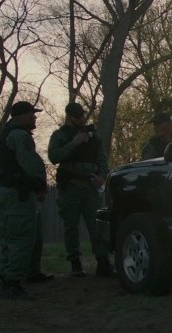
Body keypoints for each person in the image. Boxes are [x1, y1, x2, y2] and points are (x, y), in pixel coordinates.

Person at [0, 101, 50, 299]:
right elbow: (30, 164)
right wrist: (39, 185)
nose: (34, 118)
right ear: (23, 116)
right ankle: (12, 284)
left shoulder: (6, 134)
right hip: (18, 193)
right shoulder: (19, 136)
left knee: (9, 237)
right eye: (32, 114)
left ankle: (6, 277)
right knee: (22, 238)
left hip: (5, 191)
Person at [47, 102, 112, 277]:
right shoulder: (60, 136)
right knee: (71, 226)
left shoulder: (93, 135)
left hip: (90, 185)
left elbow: (102, 158)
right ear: (70, 117)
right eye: (78, 117)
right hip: (70, 186)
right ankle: (75, 263)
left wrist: (102, 177)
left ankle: (103, 261)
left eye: (83, 116)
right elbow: (54, 156)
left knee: (97, 225)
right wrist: (74, 143)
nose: (82, 119)